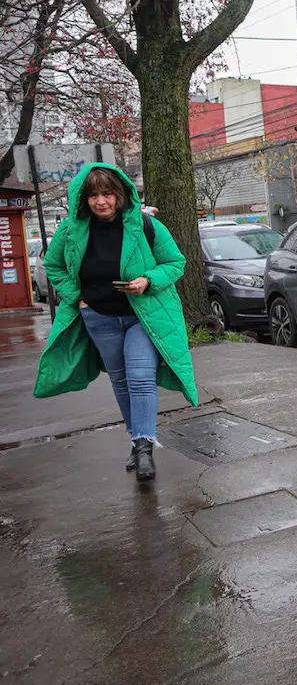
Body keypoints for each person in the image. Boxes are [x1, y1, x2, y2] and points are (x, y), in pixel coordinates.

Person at [34, 163, 198, 482]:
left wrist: (147, 280)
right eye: (93, 195)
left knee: (140, 378)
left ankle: (145, 447)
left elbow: (175, 262)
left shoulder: (145, 226)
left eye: (108, 193)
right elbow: (52, 267)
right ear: (84, 199)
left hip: (141, 316)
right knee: (121, 381)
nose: (101, 201)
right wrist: (77, 295)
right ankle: (136, 441)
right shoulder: (71, 231)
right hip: (98, 317)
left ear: (120, 194)